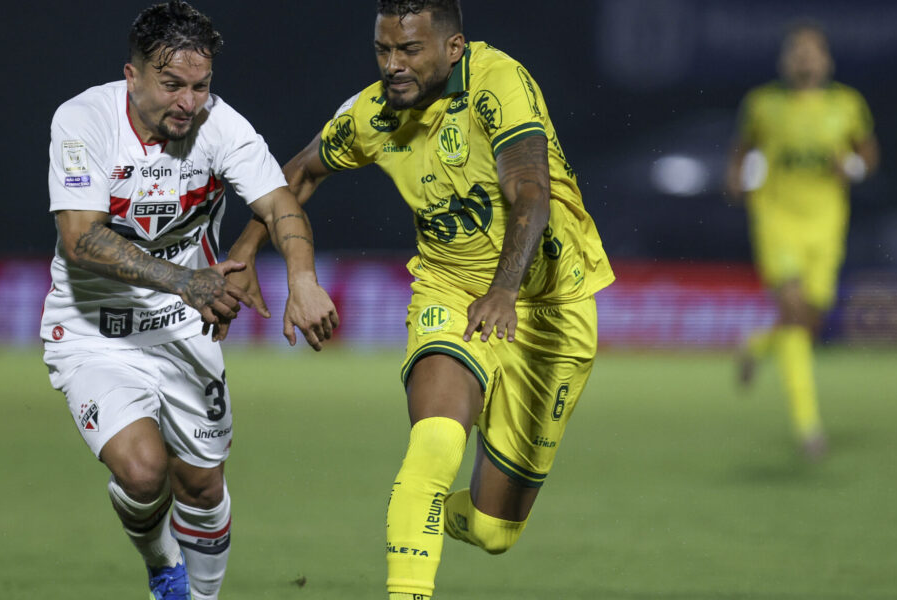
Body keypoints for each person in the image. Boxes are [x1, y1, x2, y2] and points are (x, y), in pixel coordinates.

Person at [231, 0, 614, 596]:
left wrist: (504, 290)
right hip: (449, 291)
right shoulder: (373, 113)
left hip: (552, 306)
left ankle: (437, 514)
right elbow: (300, 174)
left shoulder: (499, 83)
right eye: (383, 50)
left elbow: (530, 190)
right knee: (434, 444)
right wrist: (245, 250)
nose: (392, 65)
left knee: (493, 531)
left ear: (453, 48)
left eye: (409, 50)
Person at [40, 2, 338, 599]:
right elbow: (81, 239)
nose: (188, 102)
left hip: (186, 330)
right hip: (95, 331)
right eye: (172, 84)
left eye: (200, 86)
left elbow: (280, 204)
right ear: (132, 76)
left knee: (201, 487)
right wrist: (186, 281)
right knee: (143, 472)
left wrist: (302, 278)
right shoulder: (83, 120)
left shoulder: (220, 126)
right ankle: (162, 564)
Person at [725, 22, 879, 459]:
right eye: (797, 52)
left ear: (827, 61)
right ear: (784, 60)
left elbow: (868, 154)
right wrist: (736, 180)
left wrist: (852, 168)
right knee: (793, 310)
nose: (804, 59)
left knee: (809, 322)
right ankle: (808, 427)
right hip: (777, 219)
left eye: (812, 52)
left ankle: (757, 344)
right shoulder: (762, 104)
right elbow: (742, 151)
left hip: (826, 223)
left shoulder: (847, 104)